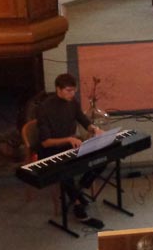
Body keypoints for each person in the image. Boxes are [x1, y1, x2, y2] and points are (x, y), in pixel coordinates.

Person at [36, 73, 105, 229]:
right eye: (68, 91)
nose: (72, 94)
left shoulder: (72, 102)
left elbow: (83, 120)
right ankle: (78, 206)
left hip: (70, 145)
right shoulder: (44, 108)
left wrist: (94, 129)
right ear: (58, 89)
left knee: (101, 158)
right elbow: (45, 142)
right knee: (66, 171)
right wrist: (68, 139)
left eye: (74, 90)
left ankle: (78, 190)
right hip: (51, 150)